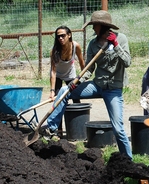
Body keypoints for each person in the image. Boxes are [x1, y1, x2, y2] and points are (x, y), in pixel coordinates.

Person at [40, 10, 132, 159]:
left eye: (94, 25)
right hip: (97, 85)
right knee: (65, 90)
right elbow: (89, 69)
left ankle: (128, 160)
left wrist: (115, 45)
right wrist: (78, 81)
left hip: (113, 89)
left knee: (118, 129)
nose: (93, 28)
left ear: (102, 25)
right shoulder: (93, 44)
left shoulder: (121, 39)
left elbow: (127, 62)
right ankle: (51, 128)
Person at [49, 26, 85, 137]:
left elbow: (82, 63)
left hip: (71, 76)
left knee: (76, 101)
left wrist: (82, 79)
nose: (60, 38)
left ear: (69, 35)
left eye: (63, 35)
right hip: (58, 76)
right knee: (58, 103)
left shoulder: (75, 46)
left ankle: (79, 130)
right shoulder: (55, 50)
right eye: (58, 36)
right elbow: (53, 72)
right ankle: (58, 131)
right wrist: (52, 91)